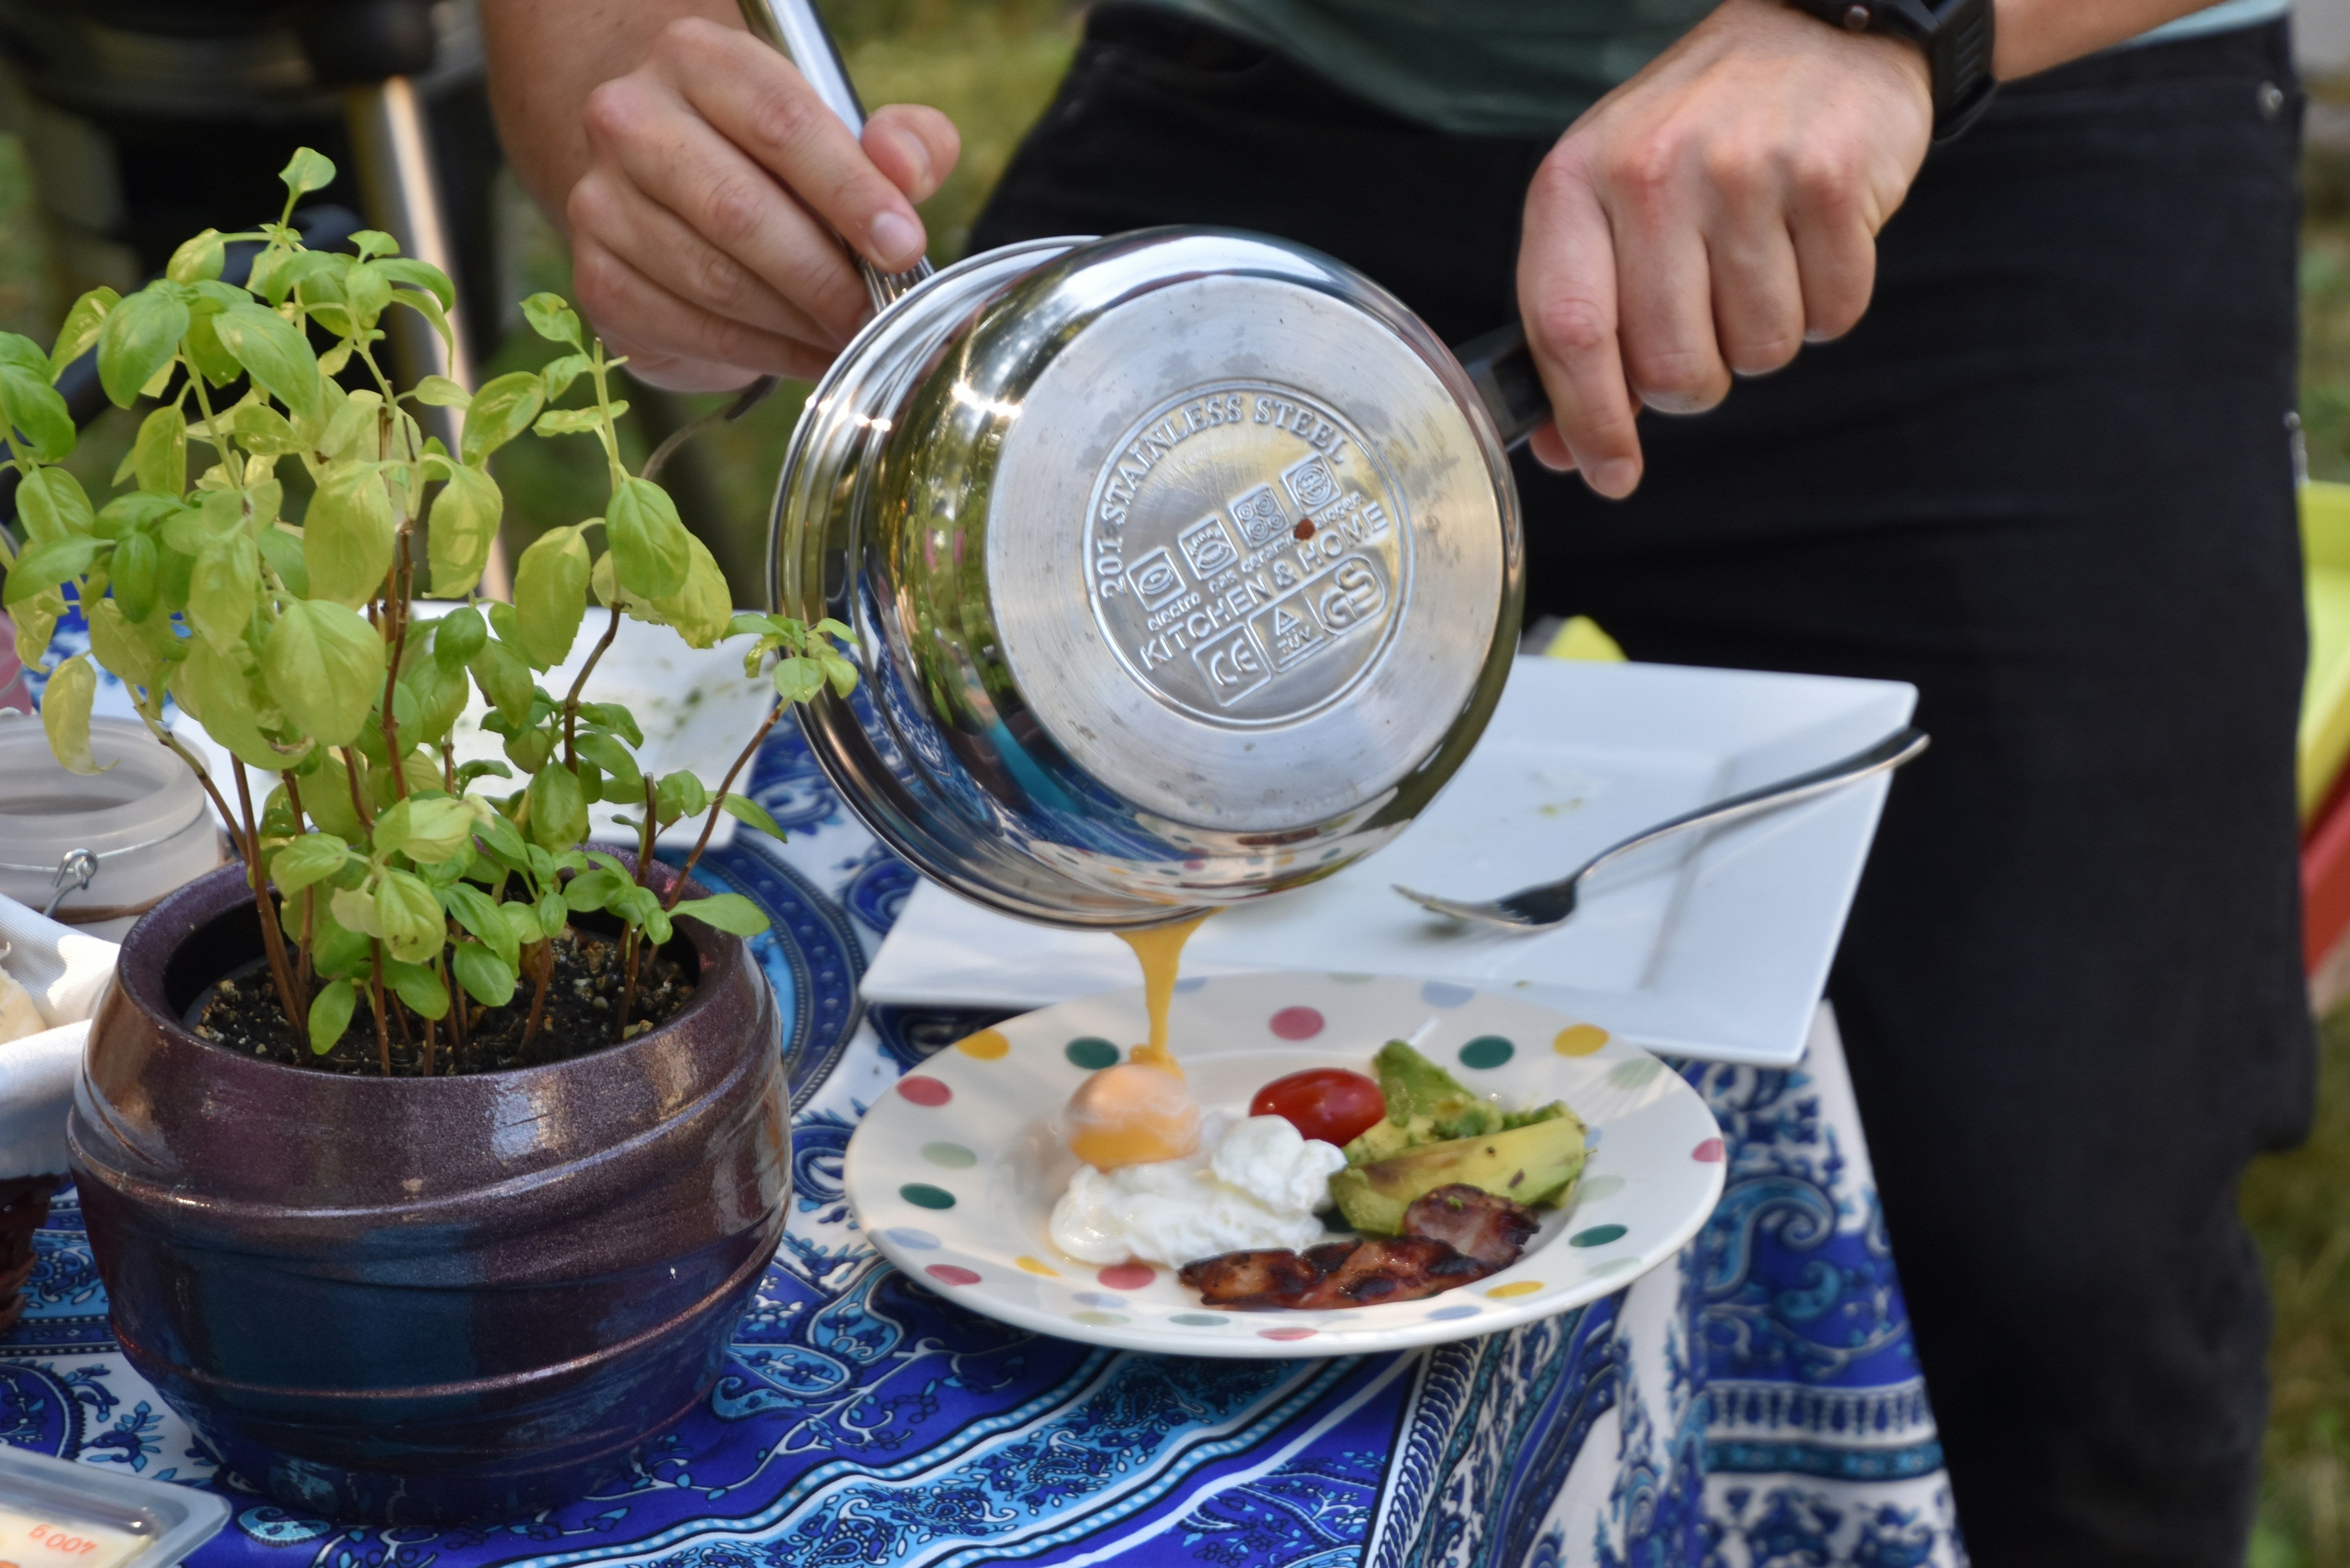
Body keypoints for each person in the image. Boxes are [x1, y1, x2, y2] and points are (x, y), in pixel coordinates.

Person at [477, 0, 2313, 1559]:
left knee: (2051, 1247)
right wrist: (660, 119)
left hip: (1981, 144)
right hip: (1262, 107)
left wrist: (1893, 25)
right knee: (924, 1144)